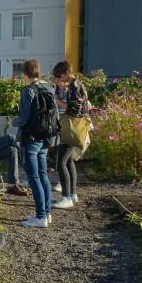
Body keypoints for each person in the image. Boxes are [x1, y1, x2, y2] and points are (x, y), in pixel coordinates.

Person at [14, 59, 58, 228]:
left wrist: (14, 122)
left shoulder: (28, 91)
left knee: (33, 177)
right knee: (43, 174)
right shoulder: (49, 88)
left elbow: (24, 118)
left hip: (31, 137)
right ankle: (46, 213)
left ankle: (40, 217)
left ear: (25, 73)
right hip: (45, 137)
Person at [51, 61, 91, 209]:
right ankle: (72, 194)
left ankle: (66, 197)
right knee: (68, 162)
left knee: (60, 162)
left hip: (72, 127)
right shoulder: (70, 85)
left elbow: (75, 108)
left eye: (59, 75)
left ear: (67, 72)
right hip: (70, 127)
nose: (58, 78)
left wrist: (58, 102)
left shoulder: (76, 86)